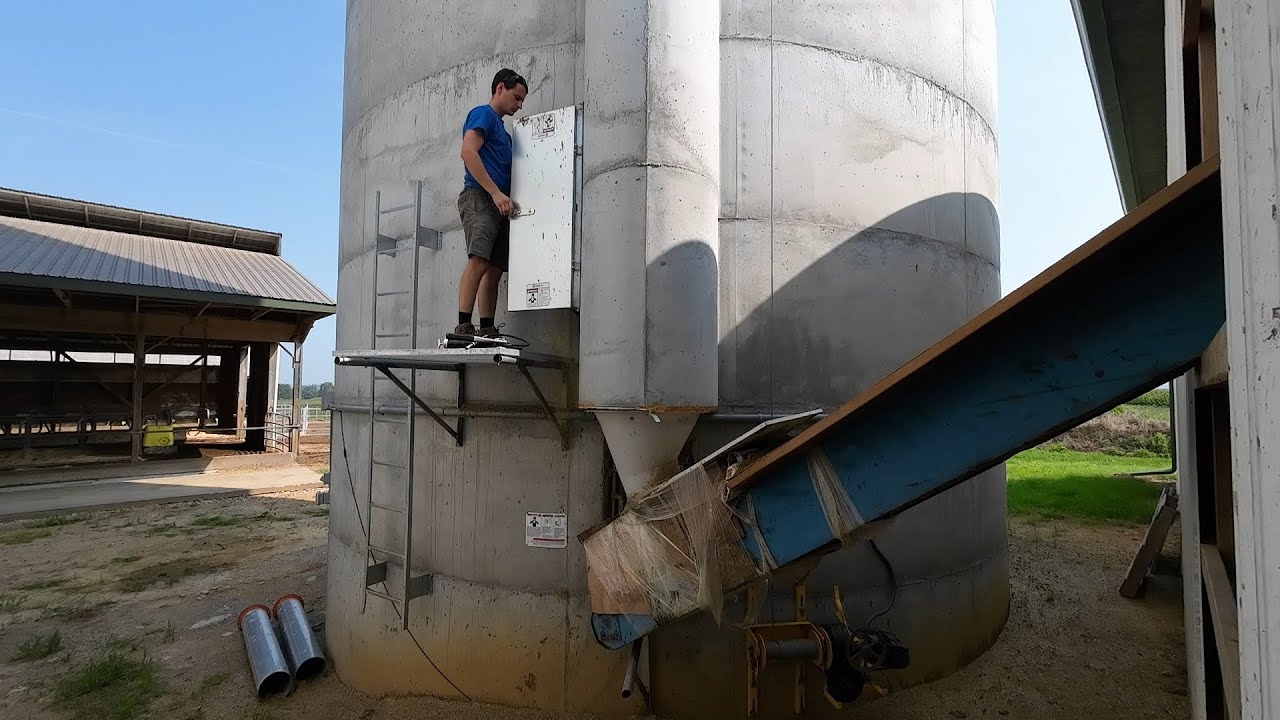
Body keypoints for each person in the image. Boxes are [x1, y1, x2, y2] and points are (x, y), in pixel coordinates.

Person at [454, 68, 528, 339]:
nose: (518, 106)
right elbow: (468, 152)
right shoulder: (482, 114)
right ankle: (463, 325)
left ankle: (487, 327)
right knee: (479, 261)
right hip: (480, 197)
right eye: (516, 98)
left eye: (521, 102)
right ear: (500, 88)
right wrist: (496, 193)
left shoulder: (505, 135)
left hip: (500, 206)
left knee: (494, 269)